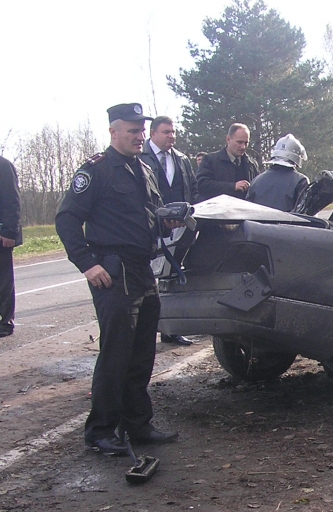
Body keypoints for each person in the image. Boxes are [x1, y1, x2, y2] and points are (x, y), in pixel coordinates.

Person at [55, 103, 180, 457]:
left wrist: (167, 223)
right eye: (131, 130)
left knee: (142, 353)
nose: (139, 136)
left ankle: (138, 425)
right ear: (113, 132)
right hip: (113, 271)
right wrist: (87, 264)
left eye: (141, 130)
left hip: (143, 269)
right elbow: (66, 219)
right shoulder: (97, 171)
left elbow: (146, 217)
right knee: (116, 353)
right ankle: (101, 431)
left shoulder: (144, 168)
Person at [140, 115, 198, 346]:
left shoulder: (181, 159)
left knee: (172, 275)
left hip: (179, 226)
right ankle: (148, 329)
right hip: (152, 228)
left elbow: (192, 188)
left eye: (173, 132)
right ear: (153, 133)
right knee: (152, 278)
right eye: (166, 132)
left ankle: (171, 328)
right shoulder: (140, 159)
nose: (171, 136)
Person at [196, 123, 259, 201]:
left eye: (246, 143)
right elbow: (202, 186)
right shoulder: (210, 160)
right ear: (228, 139)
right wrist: (232, 187)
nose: (243, 147)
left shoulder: (252, 165)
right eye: (239, 142)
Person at [246, 134, 309, 212]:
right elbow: (304, 214)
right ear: (298, 157)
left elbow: (248, 211)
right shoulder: (300, 181)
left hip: (256, 224)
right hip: (286, 224)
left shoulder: (256, 180)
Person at [0, 155, 22, 337]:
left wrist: (9, 232)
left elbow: (12, 200)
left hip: (1, 234)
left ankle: (5, 321)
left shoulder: (3, 166)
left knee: (3, 280)